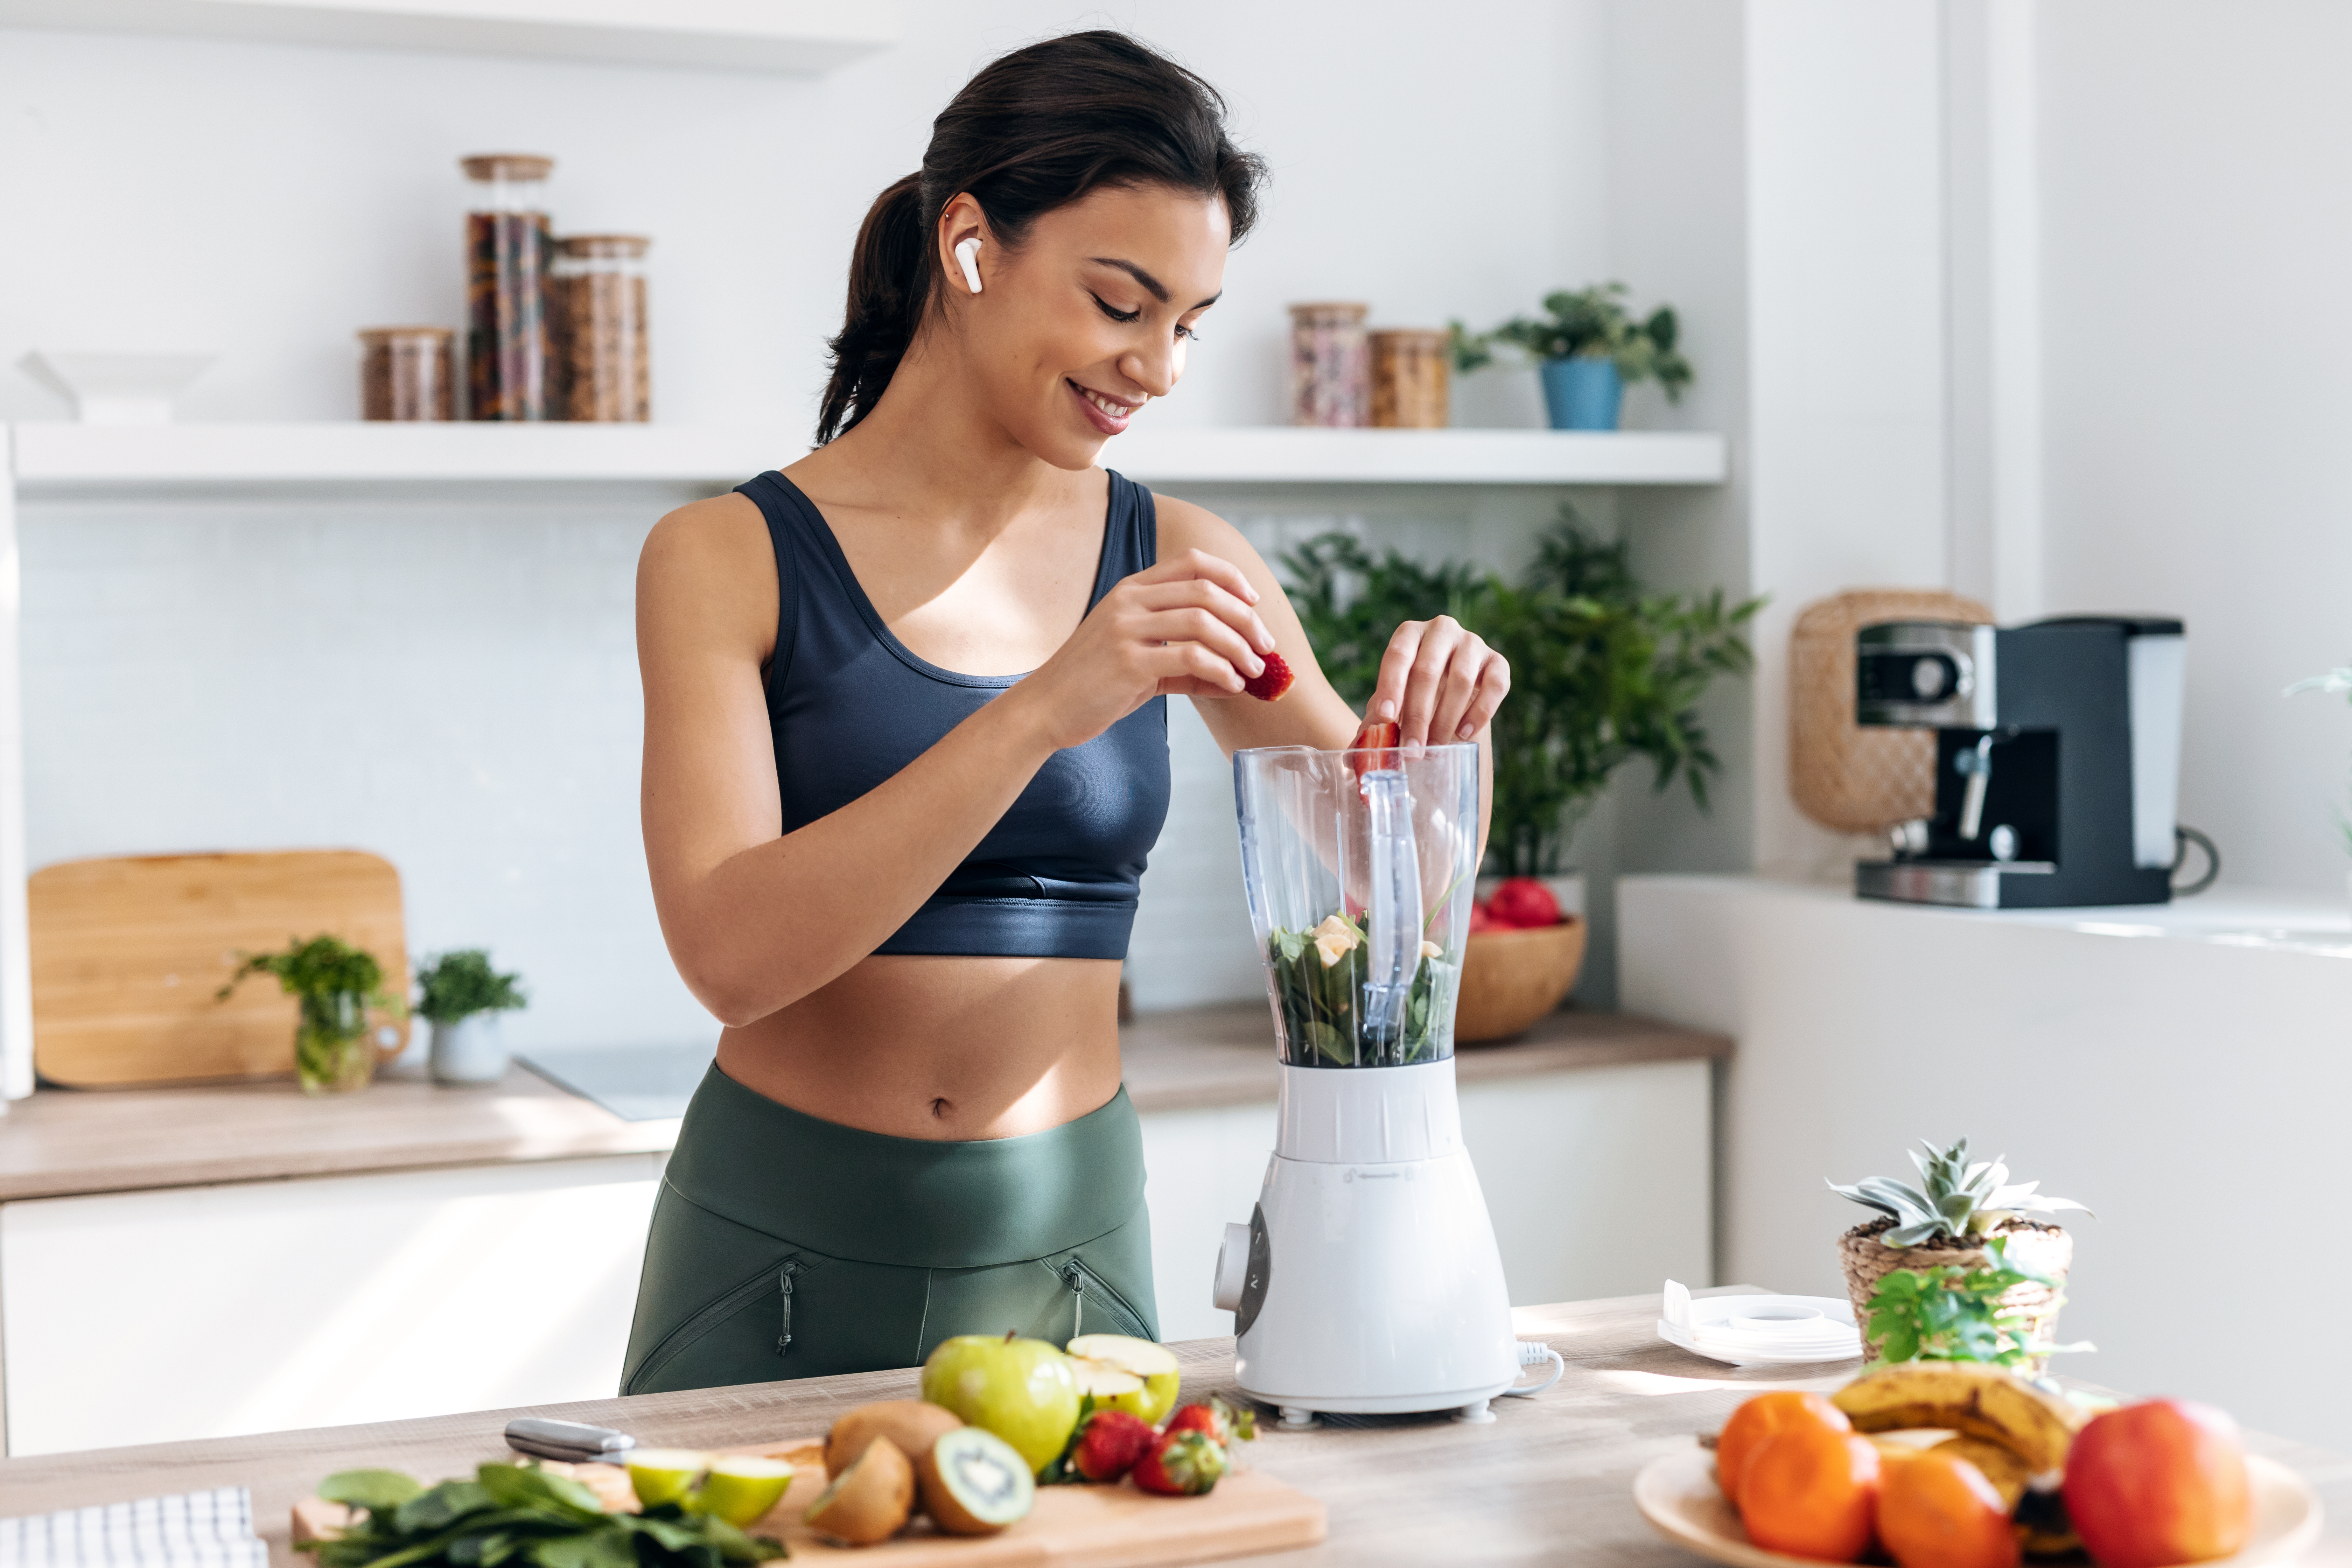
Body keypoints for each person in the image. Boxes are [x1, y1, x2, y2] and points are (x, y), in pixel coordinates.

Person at [622, 29, 1510, 1394]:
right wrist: (1045, 709)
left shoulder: (1185, 564)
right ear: (971, 246)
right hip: (775, 1242)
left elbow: (1395, 916)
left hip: (1069, 1251)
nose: (1155, 368)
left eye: (1187, 325)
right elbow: (728, 956)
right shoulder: (725, 558)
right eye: (1121, 302)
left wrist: (1443, 765)